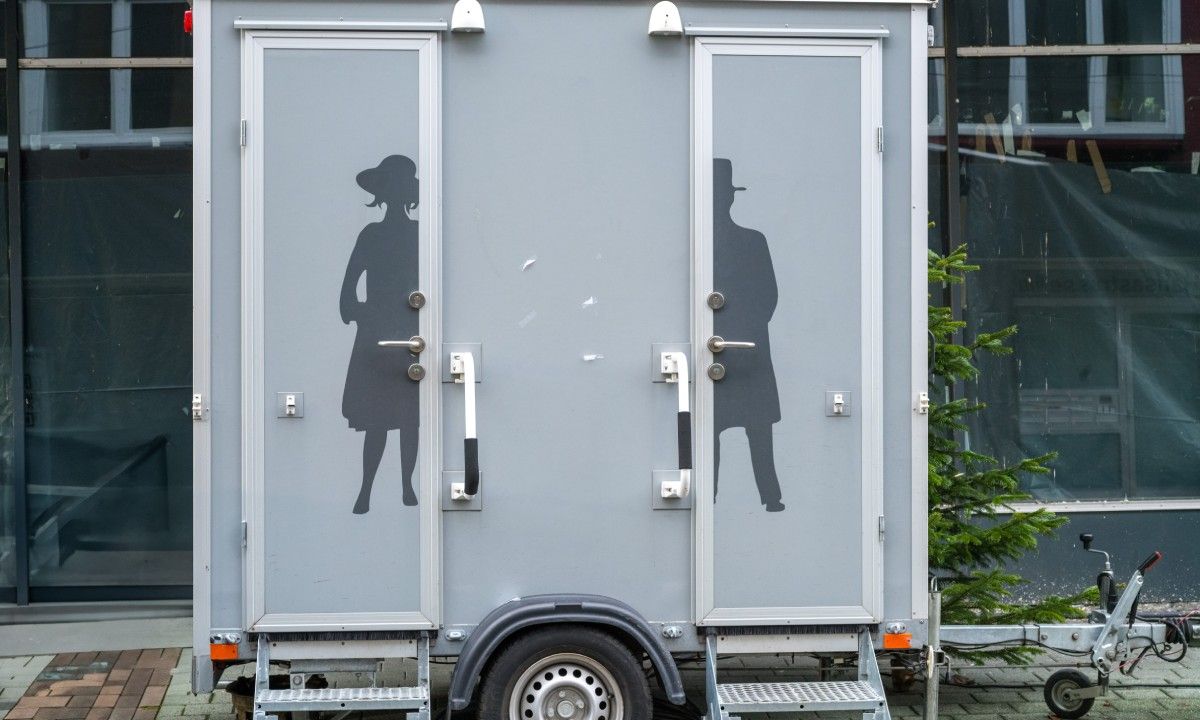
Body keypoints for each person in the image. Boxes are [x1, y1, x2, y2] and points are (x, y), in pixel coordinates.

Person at [340, 155, 421, 514]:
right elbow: (349, 282)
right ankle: (365, 490)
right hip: (377, 334)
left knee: (409, 418)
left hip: (411, 331)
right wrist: (357, 311)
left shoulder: (421, 233)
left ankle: (407, 486)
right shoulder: (371, 234)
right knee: (377, 419)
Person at [712, 158, 785, 512]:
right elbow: (767, 298)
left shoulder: (752, 241)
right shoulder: (751, 242)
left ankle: (769, 499)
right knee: (726, 433)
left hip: (744, 353)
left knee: (755, 434)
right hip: (748, 350)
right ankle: (770, 500)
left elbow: (768, 296)